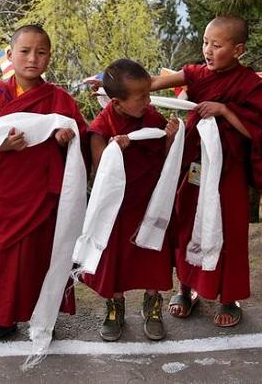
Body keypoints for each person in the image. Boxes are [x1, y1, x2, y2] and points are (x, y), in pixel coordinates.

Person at [151, 16, 262, 327]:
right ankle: (186, 289)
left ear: (238, 50)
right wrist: (114, 86)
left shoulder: (250, 84)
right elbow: (152, 83)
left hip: (229, 171)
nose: (208, 50)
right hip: (195, 164)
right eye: (205, 42)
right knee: (186, 222)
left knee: (230, 229)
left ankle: (228, 297)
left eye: (217, 45)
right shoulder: (196, 74)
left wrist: (225, 110)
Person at [0, 24, 89, 346]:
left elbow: (81, 139)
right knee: (2, 257)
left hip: (45, 194)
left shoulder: (58, 98)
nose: (32, 58)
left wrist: (67, 139)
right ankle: (0, 319)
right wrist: (4, 146)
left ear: (49, 57)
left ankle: (45, 314)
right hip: (9, 193)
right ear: (10, 55)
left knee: (44, 255)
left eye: (41, 52)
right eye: (24, 51)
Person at [80, 59, 179, 342]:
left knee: (152, 255)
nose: (149, 102)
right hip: (117, 209)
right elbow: (100, 170)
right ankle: (114, 308)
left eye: (149, 95)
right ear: (117, 103)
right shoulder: (102, 126)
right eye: (142, 97)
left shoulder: (152, 117)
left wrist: (171, 138)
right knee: (116, 260)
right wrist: (115, 151)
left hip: (149, 201)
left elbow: (163, 157)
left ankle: (153, 305)